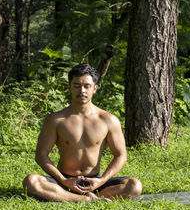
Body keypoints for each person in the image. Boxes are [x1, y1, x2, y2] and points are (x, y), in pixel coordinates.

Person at [22, 63, 142, 202]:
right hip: (64, 181)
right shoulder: (56, 120)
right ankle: (88, 200)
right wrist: (63, 180)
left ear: (94, 88)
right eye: (77, 86)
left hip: (95, 182)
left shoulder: (108, 120)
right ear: (69, 88)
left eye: (87, 86)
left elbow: (120, 155)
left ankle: (79, 197)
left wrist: (102, 180)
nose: (82, 90)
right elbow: (41, 155)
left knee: (134, 186)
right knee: (31, 182)